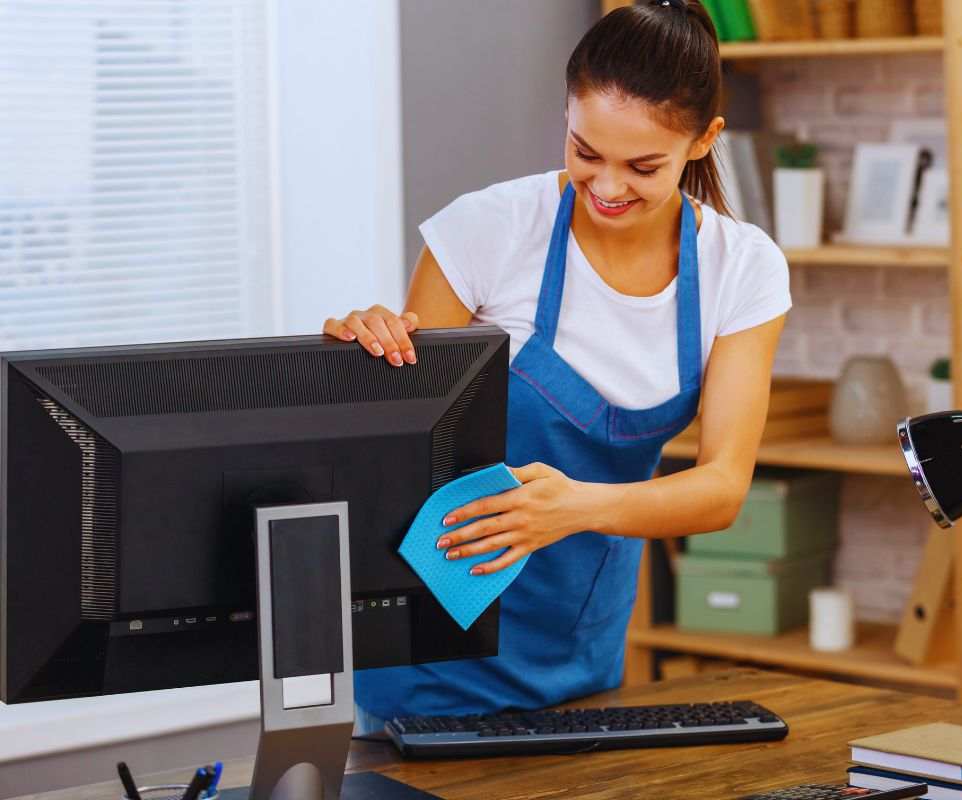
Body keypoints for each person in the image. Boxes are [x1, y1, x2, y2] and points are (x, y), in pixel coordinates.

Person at [324, 0, 792, 731]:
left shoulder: (744, 270)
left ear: (704, 141)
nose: (606, 188)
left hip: (582, 650)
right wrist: (363, 356)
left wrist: (573, 508)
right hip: (431, 647)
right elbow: (400, 449)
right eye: (585, 152)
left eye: (642, 166)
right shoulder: (487, 230)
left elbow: (721, 489)